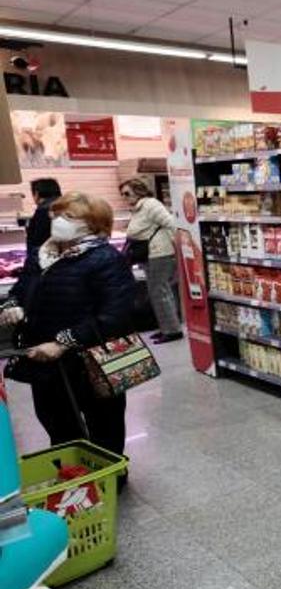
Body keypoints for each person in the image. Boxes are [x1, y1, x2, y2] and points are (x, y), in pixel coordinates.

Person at [0, 192, 136, 458]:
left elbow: (115, 315)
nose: (58, 221)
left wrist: (63, 342)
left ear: (92, 223)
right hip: (44, 359)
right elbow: (22, 288)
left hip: (94, 360)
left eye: (68, 216)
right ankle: (74, 474)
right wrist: (13, 305)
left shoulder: (105, 259)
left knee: (104, 425)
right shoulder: (41, 255)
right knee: (57, 423)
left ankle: (109, 477)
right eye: (56, 214)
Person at [120, 178, 182, 344]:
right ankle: (166, 328)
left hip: (160, 254)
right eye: (122, 194)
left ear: (139, 191)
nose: (124, 197)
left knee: (160, 292)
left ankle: (173, 330)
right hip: (151, 255)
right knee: (157, 293)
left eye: (127, 193)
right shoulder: (138, 209)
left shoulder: (151, 205)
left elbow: (172, 224)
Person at [23, 178, 60, 268]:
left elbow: (38, 240)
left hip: (47, 260)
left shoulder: (43, 210)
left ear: (36, 194)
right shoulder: (66, 206)